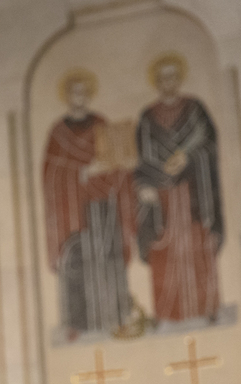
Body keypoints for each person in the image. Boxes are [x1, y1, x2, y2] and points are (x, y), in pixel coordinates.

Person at [42, 68, 136, 340]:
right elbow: (50, 174)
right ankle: (77, 323)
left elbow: (118, 164)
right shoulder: (58, 133)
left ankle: (115, 318)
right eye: (75, 93)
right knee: (76, 263)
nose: (80, 97)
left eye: (84, 93)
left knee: (108, 260)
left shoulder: (102, 125)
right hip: (72, 212)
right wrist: (78, 173)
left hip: (103, 208)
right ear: (67, 97)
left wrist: (103, 172)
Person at [135, 52, 222, 327]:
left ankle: (205, 307)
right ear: (156, 82)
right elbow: (143, 159)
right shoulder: (148, 117)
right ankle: (166, 312)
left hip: (194, 193)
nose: (168, 83)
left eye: (172, 77)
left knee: (198, 245)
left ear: (180, 78)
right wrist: (147, 184)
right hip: (163, 200)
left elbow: (209, 143)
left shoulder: (195, 109)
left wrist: (187, 158)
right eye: (162, 78)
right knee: (164, 249)